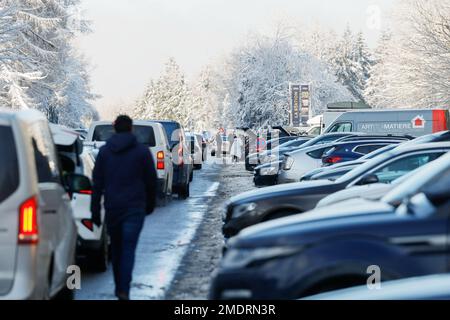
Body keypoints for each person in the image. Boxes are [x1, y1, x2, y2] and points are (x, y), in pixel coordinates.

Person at [91, 115, 157, 300]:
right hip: (135, 208)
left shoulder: (104, 152)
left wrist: (95, 210)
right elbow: (151, 181)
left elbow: (97, 184)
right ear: (131, 129)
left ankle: (119, 287)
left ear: (115, 129)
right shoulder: (142, 152)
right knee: (128, 249)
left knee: (117, 250)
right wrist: (149, 204)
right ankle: (123, 290)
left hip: (113, 208)